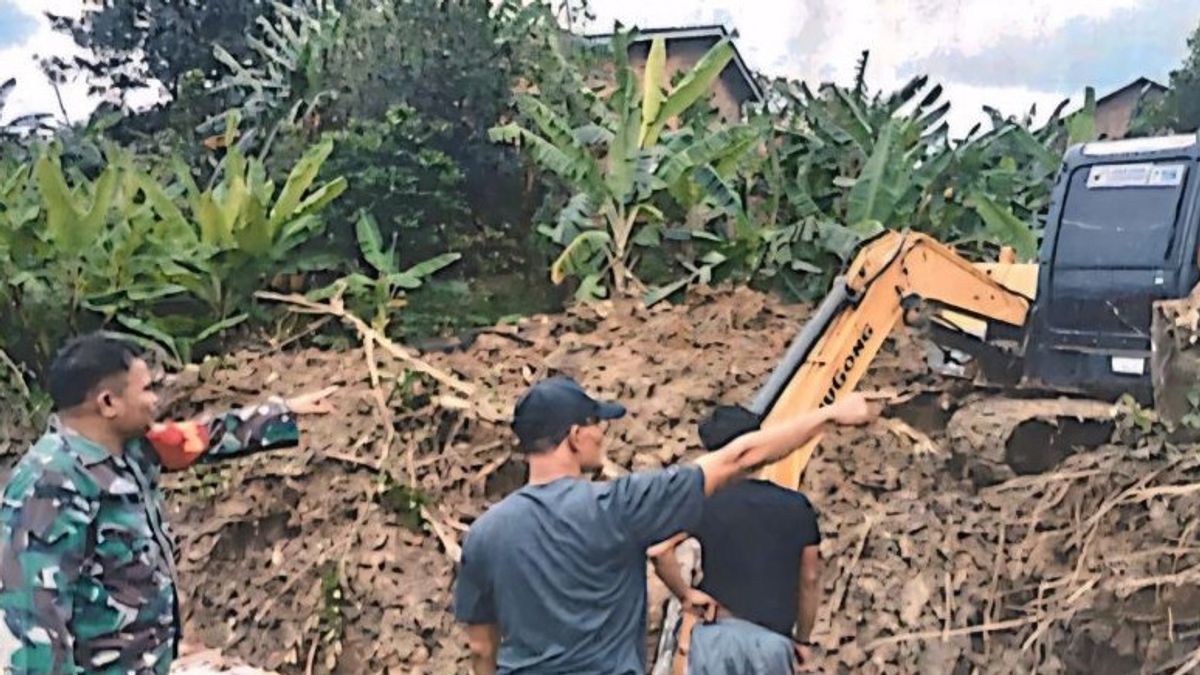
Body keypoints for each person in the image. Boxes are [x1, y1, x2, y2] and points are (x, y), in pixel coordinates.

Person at [452, 376, 877, 675]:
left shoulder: (486, 534)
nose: (604, 435)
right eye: (598, 425)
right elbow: (738, 458)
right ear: (575, 435)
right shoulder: (618, 506)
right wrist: (830, 414)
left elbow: (480, 646)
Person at [0, 333, 335, 674]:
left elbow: (200, 437)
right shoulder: (48, 485)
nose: (155, 400)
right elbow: (31, 623)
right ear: (108, 403)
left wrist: (282, 413)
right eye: (146, 390)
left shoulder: (130, 449)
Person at [650, 404, 825, 675]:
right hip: (771, 644)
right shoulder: (796, 506)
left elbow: (660, 551)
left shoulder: (705, 503)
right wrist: (802, 639)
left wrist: (685, 594)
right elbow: (810, 578)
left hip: (715, 636)